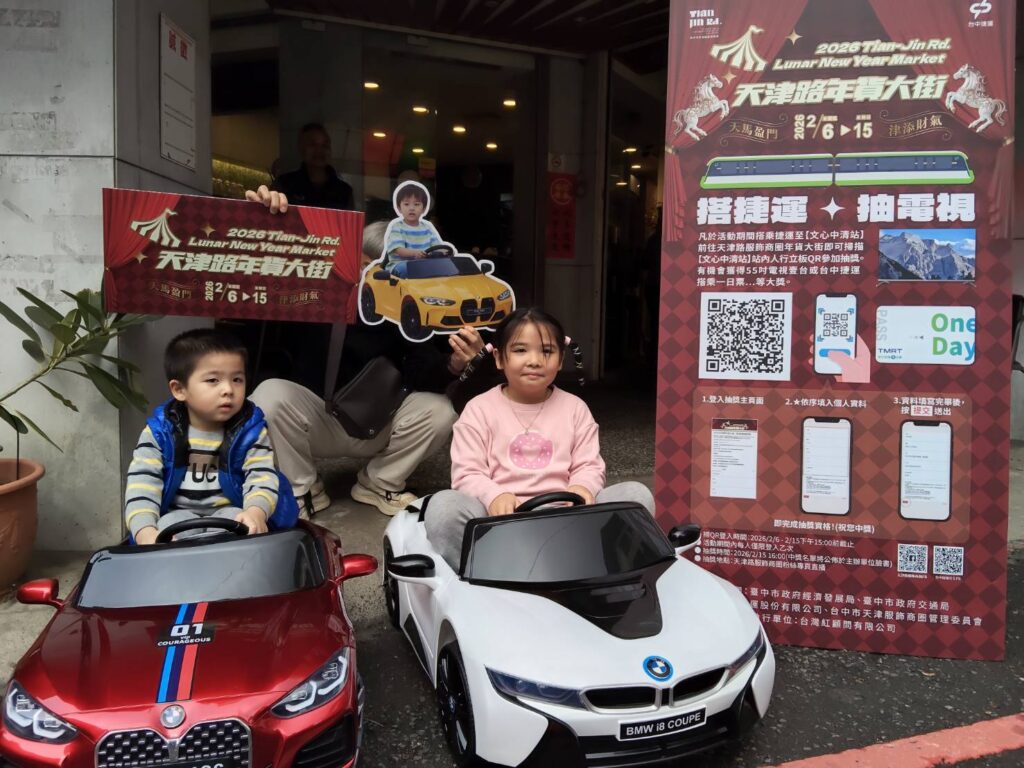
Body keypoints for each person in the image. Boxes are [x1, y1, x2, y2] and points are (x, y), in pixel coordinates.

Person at [244, 186, 484, 518]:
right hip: (313, 419)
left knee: (440, 410)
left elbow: (424, 372)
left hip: (377, 422)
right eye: (370, 265)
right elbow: (262, 291)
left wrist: (454, 364)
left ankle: (379, 481)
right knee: (268, 395)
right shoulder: (312, 293)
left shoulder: (404, 310)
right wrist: (262, 222)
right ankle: (302, 488)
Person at [424, 307, 656, 569]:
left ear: (560, 359)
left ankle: (602, 572)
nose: (534, 360)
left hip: (570, 519)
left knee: (636, 495)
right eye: (521, 350)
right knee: (443, 507)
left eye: (546, 351)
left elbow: (588, 465)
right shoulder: (478, 409)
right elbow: (467, 473)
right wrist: (494, 495)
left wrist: (581, 488)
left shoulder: (575, 408)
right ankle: (477, 575)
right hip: (499, 521)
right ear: (499, 358)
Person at [125, 329, 298, 546]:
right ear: (179, 390)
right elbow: (142, 483)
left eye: (237, 379)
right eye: (213, 380)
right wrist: (144, 530)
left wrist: (256, 512)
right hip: (177, 514)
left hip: (231, 512)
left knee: (242, 529)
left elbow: (262, 477)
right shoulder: (159, 433)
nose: (228, 389)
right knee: (165, 530)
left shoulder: (250, 430)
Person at [271, 123, 355, 210]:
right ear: (301, 148)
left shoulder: (345, 191)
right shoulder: (284, 183)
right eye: (312, 144)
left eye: (325, 145)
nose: (319, 150)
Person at [382, 181, 442, 270]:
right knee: (411, 269)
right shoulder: (397, 227)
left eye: (416, 204)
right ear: (399, 208)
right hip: (400, 266)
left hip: (423, 266)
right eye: (406, 204)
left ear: (424, 209)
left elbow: (436, 247)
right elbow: (399, 250)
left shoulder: (428, 228)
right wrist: (415, 253)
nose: (411, 208)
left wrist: (443, 252)